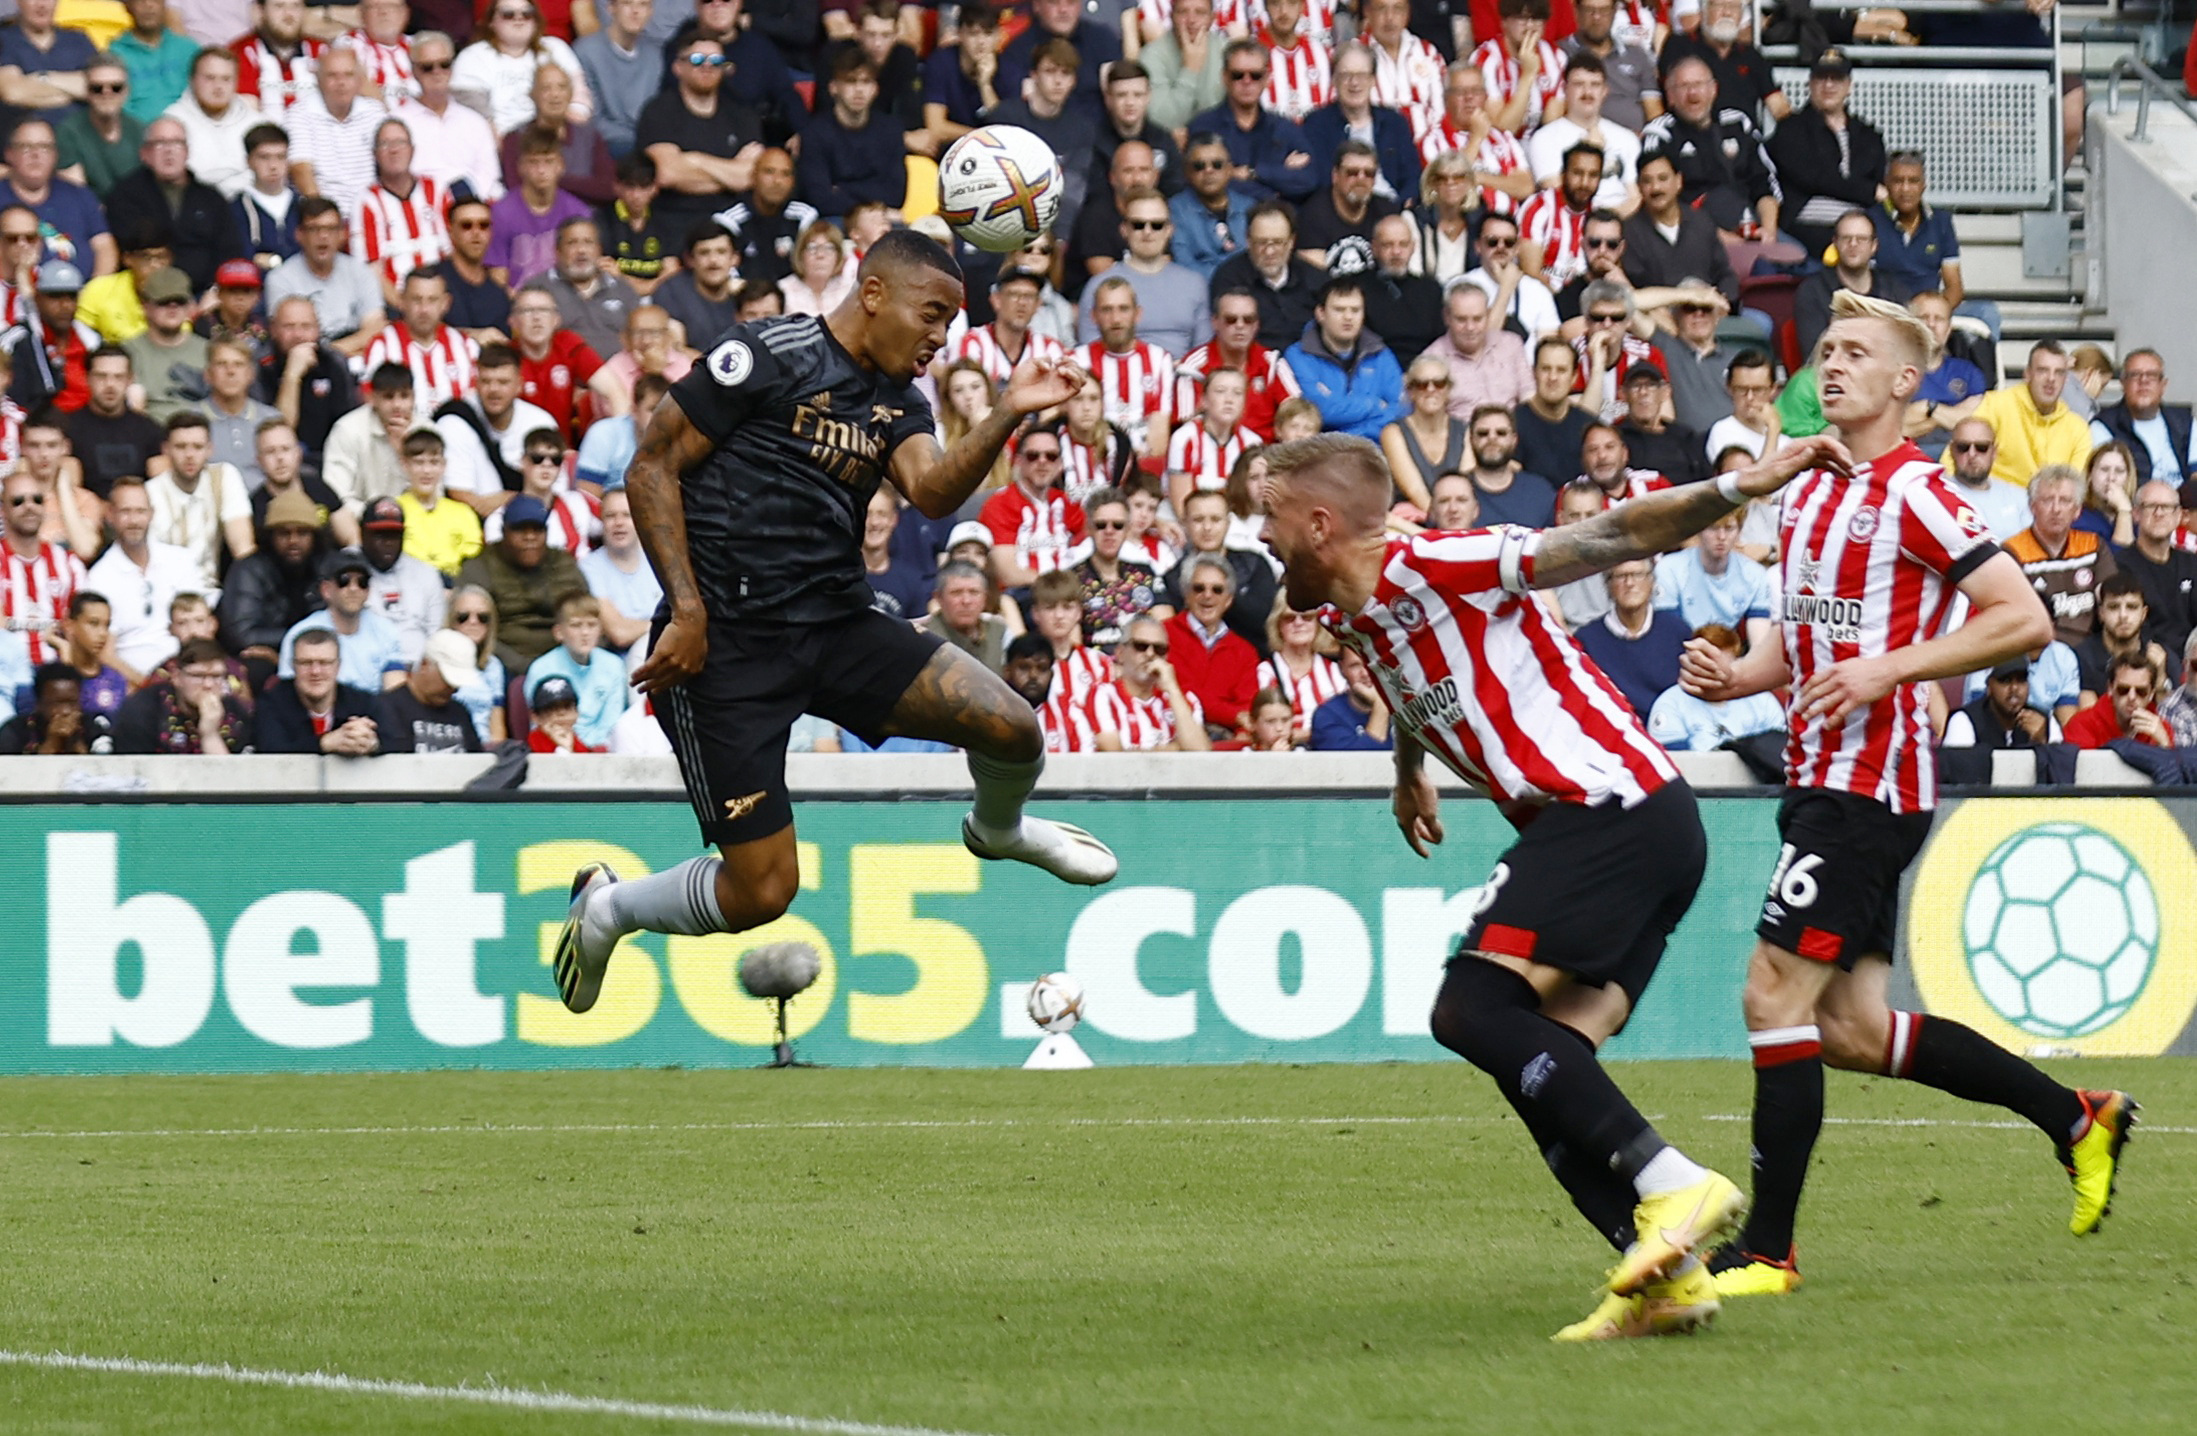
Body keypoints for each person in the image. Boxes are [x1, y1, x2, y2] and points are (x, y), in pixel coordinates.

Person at [1258, 429, 1842, 1340]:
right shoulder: (1357, 617)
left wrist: (1741, 484)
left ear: (1320, 524)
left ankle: (1676, 1184)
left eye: (1270, 515)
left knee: (1468, 1009)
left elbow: (1611, 534)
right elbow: (1411, 676)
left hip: (1608, 806)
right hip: (1637, 824)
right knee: (1536, 1063)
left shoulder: (1440, 562)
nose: (1261, 534)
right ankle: (1664, 1280)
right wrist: (1408, 771)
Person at [1673, 290, 2127, 1299]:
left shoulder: (1918, 491)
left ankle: (1767, 1251)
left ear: (1904, 381)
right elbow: (1801, 642)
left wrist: (1890, 670)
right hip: (1819, 777)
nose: (1829, 365)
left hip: (1871, 783)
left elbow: (2021, 618)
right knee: (1850, 1030)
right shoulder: (1806, 489)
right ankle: (2076, 1118)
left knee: (1770, 992)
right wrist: (1734, 677)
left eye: (1853, 352)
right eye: (1824, 350)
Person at [550, 230, 1114, 1020]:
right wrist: (687, 609)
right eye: (931, 314)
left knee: (1012, 727)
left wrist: (1008, 411)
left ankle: (998, 830)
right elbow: (651, 466)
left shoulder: (899, 399)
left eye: (950, 323)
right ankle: (608, 910)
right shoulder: (767, 354)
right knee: (763, 892)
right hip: (723, 646)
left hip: (837, 625)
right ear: (873, 294)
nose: (939, 337)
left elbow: (931, 490)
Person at [1766, 52, 1883, 260]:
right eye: (1821, 78)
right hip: (1805, 231)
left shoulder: (1868, 137)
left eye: (1836, 78)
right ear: (1810, 84)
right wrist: (1869, 191)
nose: (1828, 85)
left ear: (1849, 86)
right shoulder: (1790, 130)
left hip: (1859, 233)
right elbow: (1816, 178)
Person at [1075, 189, 1210, 358]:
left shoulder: (1194, 284)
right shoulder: (1099, 285)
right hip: (1119, 373)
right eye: (1138, 225)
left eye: (1157, 225)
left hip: (1182, 372)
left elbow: (1203, 350)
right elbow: (1090, 352)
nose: (1147, 232)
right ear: (1124, 230)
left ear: (1169, 230)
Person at [86, 477, 201, 673]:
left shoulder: (181, 561)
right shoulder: (99, 578)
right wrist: (148, 684)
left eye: (140, 511)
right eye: (125, 512)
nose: (134, 521)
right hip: (131, 682)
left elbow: (200, 631)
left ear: (151, 514)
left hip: (188, 672)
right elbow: (104, 654)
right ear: (110, 515)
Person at [2006, 465, 2118, 648]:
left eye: (2065, 501)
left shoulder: (2093, 545)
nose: (2056, 509)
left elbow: (2112, 600)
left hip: (2092, 649)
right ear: (2032, 507)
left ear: (2077, 510)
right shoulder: (2013, 551)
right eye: (2047, 500)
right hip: (2038, 649)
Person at [1283, 276, 1404, 442]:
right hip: (1321, 452)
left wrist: (1350, 436)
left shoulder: (1381, 354)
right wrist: (1373, 405)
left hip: (1377, 450)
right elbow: (1318, 411)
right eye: (1339, 310)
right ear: (1320, 313)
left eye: (1355, 310)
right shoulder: (1298, 355)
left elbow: (1399, 410)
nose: (1348, 317)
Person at [265, 196, 387, 356]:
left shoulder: (361, 272)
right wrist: (354, 344)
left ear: (342, 234)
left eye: (331, 229)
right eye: (314, 229)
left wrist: (328, 353)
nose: (323, 236)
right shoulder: (280, 278)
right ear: (299, 234)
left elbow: (376, 329)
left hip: (356, 359)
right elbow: (289, 343)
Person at [390, 31, 504, 204]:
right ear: (414, 71)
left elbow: (489, 173)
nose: (437, 72)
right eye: (427, 67)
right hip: (418, 205)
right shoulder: (396, 123)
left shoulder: (475, 121)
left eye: (444, 64)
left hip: (469, 204)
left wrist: (463, 198)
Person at [1302, 42, 1420, 206]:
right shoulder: (1316, 124)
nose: (1354, 82)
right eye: (1346, 75)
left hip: (1391, 209)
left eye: (1362, 75)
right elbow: (1319, 182)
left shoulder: (1394, 123)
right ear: (1334, 80)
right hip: (1338, 211)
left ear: (1373, 80)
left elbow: (1412, 177)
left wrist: (1404, 207)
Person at [453, 0, 592, 137]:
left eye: (527, 14)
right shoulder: (472, 58)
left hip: (556, 138)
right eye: (508, 14)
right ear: (491, 22)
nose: (519, 19)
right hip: (500, 142)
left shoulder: (556, 49)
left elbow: (579, 101)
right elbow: (474, 119)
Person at [276, 546, 408, 690]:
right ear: (326, 590)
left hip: (374, 703)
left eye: (362, 582)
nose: (354, 588)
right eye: (344, 581)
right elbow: (288, 690)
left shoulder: (386, 630)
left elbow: (395, 689)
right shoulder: (301, 633)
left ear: (368, 590)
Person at [1414, 62, 1531, 218]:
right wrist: (1476, 139)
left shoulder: (1502, 136)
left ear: (1485, 97)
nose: (1469, 97)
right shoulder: (1432, 141)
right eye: (1460, 92)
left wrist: (1480, 177)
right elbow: (1450, 182)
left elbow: (1525, 187)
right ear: (1446, 98)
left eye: (1476, 91)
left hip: (1507, 225)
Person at [1619, 151, 1737, 307]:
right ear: (1639, 187)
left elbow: (1724, 273)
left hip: (1709, 310)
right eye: (1647, 181)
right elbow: (1635, 290)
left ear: (1678, 181)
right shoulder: (1629, 232)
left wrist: (1724, 301)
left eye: (1663, 178)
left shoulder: (1701, 222)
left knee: (1760, 319)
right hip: (1659, 315)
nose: (1656, 188)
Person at [1644, 621, 1780, 754]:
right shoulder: (1670, 703)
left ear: (1737, 660)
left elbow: (1779, 750)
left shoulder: (1763, 700)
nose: (1714, 669)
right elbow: (1674, 762)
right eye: (1706, 660)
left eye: (1722, 661)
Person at [1971, 341, 2093, 489]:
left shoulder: (2078, 428)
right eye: (2043, 370)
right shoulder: (1996, 405)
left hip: (2051, 500)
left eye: (2059, 372)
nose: (2051, 379)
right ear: (2027, 374)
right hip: (1994, 497)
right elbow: (1961, 457)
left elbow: (2075, 488)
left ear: (2066, 379)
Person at [286, 45, 389, 221]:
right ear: (318, 80)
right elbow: (301, 170)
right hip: (322, 216)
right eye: (332, 75)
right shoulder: (299, 113)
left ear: (359, 80)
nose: (341, 83)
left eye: (348, 75)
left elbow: (391, 162)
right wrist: (326, 218)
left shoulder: (374, 112)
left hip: (372, 212)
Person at [1795, 209, 1911, 360]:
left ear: (1874, 246)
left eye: (1861, 239)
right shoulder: (1812, 291)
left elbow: (1907, 349)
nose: (1853, 244)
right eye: (1846, 238)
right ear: (1835, 243)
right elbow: (1814, 355)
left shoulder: (1895, 290)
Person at [1086, 613, 1211, 751]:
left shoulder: (1185, 699)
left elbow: (1200, 751)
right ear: (1120, 653)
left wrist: (1173, 690)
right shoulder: (1102, 695)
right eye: (1141, 646)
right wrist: (1176, 748)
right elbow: (1113, 755)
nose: (1150, 654)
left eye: (1159, 649)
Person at [1209, 202, 1322, 353]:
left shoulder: (1315, 279)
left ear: (1291, 242)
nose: (1269, 252)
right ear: (1248, 241)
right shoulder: (1228, 278)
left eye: (1278, 242)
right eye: (1261, 243)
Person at [1163, 553, 1258, 731]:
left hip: (1228, 736)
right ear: (1186, 595)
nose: (1207, 595)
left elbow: (1248, 707)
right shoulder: (1164, 635)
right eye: (1199, 588)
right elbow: (1185, 692)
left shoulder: (1245, 651)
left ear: (1228, 600)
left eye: (1217, 590)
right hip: (1176, 730)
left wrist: (1241, 730)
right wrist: (1234, 716)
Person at [1654, 508, 1770, 649]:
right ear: (1699, 530)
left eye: (1729, 528)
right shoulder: (1669, 568)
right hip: (1681, 650)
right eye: (1713, 528)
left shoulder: (1755, 574)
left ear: (1739, 531)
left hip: (1726, 650)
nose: (1721, 536)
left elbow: (1759, 644)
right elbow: (1668, 633)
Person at [113, 636, 254, 753]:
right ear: (176, 677)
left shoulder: (235, 713)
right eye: (198, 676)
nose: (208, 685)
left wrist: (210, 735)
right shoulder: (143, 709)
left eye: (216, 676)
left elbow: (234, 775)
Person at [257, 624, 384, 753]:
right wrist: (325, 743)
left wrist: (371, 743)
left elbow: (393, 742)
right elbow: (268, 750)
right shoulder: (271, 703)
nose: (315, 671)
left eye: (325, 663)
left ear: (338, 666)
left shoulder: (363, 702)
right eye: (306, 663)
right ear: (293, 666)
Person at [524, 591, 626, 747]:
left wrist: (584, 748)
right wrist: (571, 747)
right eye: (576, 625)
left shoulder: (614, 665)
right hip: (555, 746)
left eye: (592, 625)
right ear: (559, 632)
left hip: (601, 750)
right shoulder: (541, 668)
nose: (585, 633)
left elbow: (611, 724)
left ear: (601, 630)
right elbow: (541, 723)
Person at [1421, 282, 1532, 416]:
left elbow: (1529, 396)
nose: (1470, 327)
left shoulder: (1511, 344)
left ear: (1488, 315)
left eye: (1477, 319)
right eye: (1461, 320)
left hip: (1513, 427)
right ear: (1447, 317)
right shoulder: (1430, 361)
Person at [2090, 349, 2195, 486]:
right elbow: (2106, 485)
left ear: (2163, 385)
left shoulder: (2186, 422)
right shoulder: (2103, 426)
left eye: (2151, 375)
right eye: (2135, 375)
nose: (2143, 381)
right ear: (2123, 384)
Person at [2120, 479, 2197, 660]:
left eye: (2167, 507)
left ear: (2178, 515)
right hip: (2147, 660)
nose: (2159, 513)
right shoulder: (2120, 566)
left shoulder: (2192, 563)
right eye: (2151, 506)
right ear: (2136, 514)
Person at [376, 627, 485, 752]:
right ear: (424, 664)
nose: (453, 689)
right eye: (447, 680)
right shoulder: (386, 709)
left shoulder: (460, 713)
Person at [395, 428, 483, 578]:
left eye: (434, 462)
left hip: (455, 582)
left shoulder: (463, 513)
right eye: (419, 463)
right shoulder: (395, 510)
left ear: (444, 465)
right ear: (405, 464)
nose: (427, 471)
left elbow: (472, 556)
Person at [1140, 0, 1225, 134]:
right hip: (1170, 141)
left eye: (1200, 12)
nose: (1191, 20)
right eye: (1183, 12)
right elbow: (1162, 121)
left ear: (1212, 18)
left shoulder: (1227, 51)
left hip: (1220, 137)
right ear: (1171, 16)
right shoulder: (1151, 55)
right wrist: (1190, 70)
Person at [1939, 418, 2029, 543]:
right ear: (1951, 450)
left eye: (1982, 447)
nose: (1972, 454)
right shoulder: (1938, 498)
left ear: (1994, 452)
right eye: (1963, 447)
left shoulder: (2019, 497)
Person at [1942, 658, 2061, 749]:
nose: (2014, 688)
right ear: (1989, 687)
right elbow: (1957, 770)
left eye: (2021, 680)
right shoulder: (1965, 720)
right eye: (2005, 681)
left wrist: (2043, 740)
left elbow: (2061, 770)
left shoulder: (2045, 721)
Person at [2064, 653, 2174, 752]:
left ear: (2151, 694)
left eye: (2141, 691)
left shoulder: (2161, 728)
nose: (2131, 697)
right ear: (2110, 688)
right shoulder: (2082, 725)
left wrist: (2165, 745)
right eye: (2123, 690)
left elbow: (2173, 767)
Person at [0, 660, 111, 753]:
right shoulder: (15, 730)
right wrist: (53, 741)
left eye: (72, 703)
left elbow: (100, 768)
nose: (66, 711)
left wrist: (74, 742)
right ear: (39, 704)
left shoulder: (92, 727)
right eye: (57, 703)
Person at [526, 673, 596, 752]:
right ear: (535, 717)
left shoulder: (583, 741)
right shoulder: (531, 744)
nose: (561, 712)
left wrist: (570, 747)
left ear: (577, 713)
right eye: (552, 708)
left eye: (567, 706)